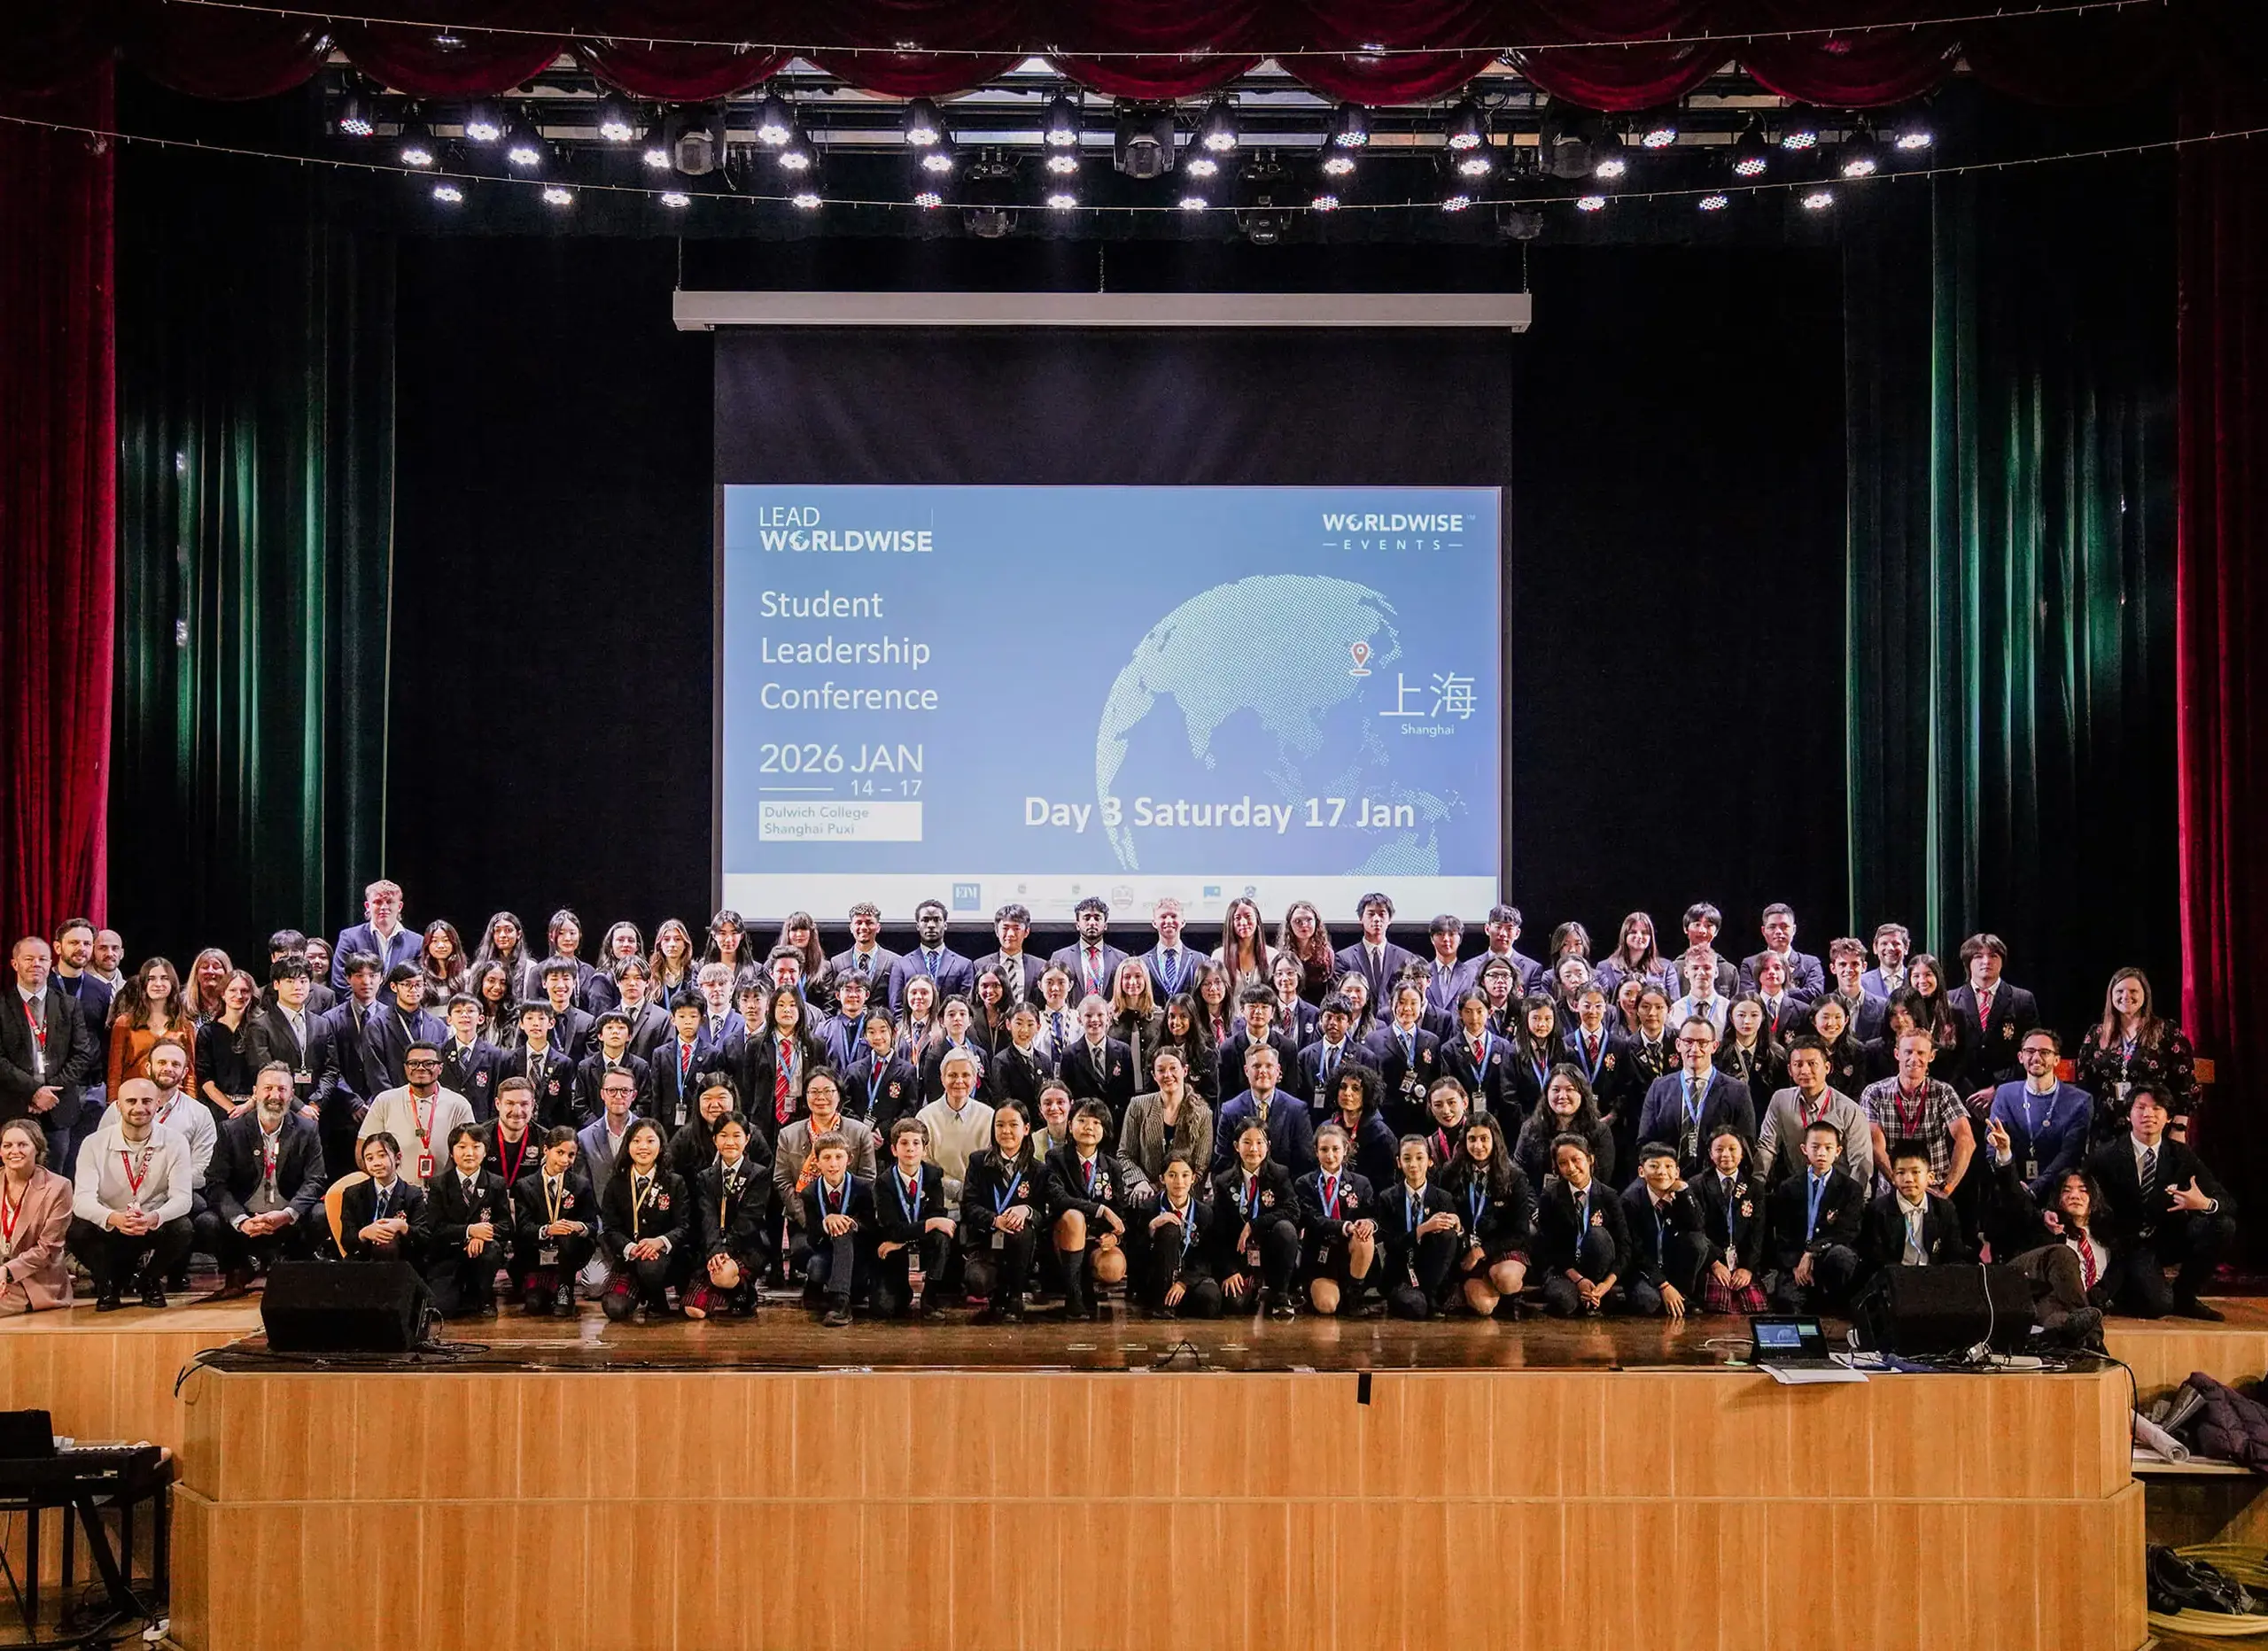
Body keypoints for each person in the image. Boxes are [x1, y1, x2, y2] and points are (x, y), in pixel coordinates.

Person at [2084, 1083, 2233, 1320]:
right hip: (2127, 1244)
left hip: (2166, 1236)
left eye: (2157, 1109)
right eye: (2140, 1107)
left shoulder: (2180, 1154)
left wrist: (2205, 1204)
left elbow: (2226, 1200)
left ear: (2168, 1117)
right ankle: (2123, 1291)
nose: (2148, 1115)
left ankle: (2185, 1295)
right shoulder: (2106, 1156)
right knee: (2158, 1306)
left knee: (2221, 1224)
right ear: (2128, 1114)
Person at [68, 1077, 194, 1310]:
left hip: (150, 1222)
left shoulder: (176, 1142)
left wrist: (153, 1218)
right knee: (77, 1230)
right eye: (131, 1101)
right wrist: (114, 1218)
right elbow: (82, 1200)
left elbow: (183, 1199)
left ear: (157, 1104)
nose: (139, 1108)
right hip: (112, 1223)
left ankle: (149, 1280)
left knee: (183, 1227)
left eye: (146, 1101)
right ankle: (108, 1285)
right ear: (118, 1106)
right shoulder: (93, 1143)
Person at [205, 1064, 326, 1292]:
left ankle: (293, 1262)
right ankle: (239, 1268)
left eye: (282, 1089)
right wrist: (240, 1220)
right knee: (207, 1222)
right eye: (268, 1088)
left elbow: (316, 1180)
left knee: (322, 1215)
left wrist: (287, 1214)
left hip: (287, 1217)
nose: (274, 1095)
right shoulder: (231, 1130)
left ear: (291, 1094)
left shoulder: (307, 1129)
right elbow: (216, 1183)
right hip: (246, 1218)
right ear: (255, 1092)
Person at [2076, 968, 2200, 1145]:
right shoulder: (2097, 1034)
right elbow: (2083, 1083)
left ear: (2145, 995)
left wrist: (2178, 1129)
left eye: (2133, 991)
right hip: (2105, 1132)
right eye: (2119, 991)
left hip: (2153, 1128)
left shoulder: (2166, 1032)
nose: (2126, 996)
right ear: (2111, 996)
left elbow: (2186, 1084)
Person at [776, 1071, 875, 1277]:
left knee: (841, 1261)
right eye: (813, 1092)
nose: (821, 1097)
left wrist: (842, 1221)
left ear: (839, 1095)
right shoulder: (789, 1134)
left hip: (850, 1220)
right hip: (805, 1223)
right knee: (811, 1260)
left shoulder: (859, 1132)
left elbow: (867, 1178)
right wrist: (814, 1221)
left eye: (828, 1091)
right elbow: (782, 1181)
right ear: (805, 1096)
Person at [1859, 1028, 1974, 1201]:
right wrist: (1899, 1182)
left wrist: (1948, 1187)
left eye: (1921, 1053)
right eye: (1908, 1052)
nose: (1914, 1058)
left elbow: (1966, 1140)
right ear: (1897, 1054)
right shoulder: (1874, 1092)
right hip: (1892, 1190)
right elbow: (1875, 1145)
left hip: (1935, 1189)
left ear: (1931, 1057)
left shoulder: (1943, 1091)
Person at [1761, 1120, 1864, 1312]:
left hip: (1827, 1259)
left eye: (1828, 1147)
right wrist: (1795, 1264)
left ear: (1838, 1151)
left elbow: (1847, 1232)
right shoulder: (1788, 1187)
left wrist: (1812, 1253)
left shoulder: (1850, 1189)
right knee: (1787, 1306)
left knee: (1842, 1256)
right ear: (1804, 1149)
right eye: (1815, 1147)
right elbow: (1782, 1234)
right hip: (1795, 1263)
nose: (1822, 1153)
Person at [1635, 1018, 1757, 1178]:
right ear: (1678, 1045)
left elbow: (1745, 1146)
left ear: (1714, 1046)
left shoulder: (1737, 1091)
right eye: (1688, 1041)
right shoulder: (1659, 1087)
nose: (1695, 1048)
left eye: (1702, 1042)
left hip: (1715, 1185)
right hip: (1667, 1180)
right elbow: (1646, 1142)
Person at [2004, 1169, 2113, 1347]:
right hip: (2034, 1289)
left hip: (2058, 1307)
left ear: (2095, 1196)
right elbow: (2017, 1206)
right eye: (2066, 1190)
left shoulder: (2108, 1240)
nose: (2074, 1195)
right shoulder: (2047, 1228)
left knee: (2060, 1319)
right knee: (2063, 1254)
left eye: (2083, 1189)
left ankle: (2082, 1334)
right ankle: (2093, 1334)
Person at [1442, 1112, 1534, 1319]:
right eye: (1472, 1139)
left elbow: (1520, 1232)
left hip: (1501, 1247)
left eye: (1484, 1139)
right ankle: (1483, 1289)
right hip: (1466, 1249)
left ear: (1495, 1140)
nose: (1478, 1146)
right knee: (1483, 1308)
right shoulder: (1450, 1172)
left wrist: (1481, 1251)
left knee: (1506, 1280)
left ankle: (1511, 1294)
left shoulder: (1515, 1176)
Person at [959, 1103, 1045, 1322]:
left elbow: (1044, 1213)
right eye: (1000, 1125)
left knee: (1021, 1228)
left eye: (1013, 1124)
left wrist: (1026, 1210)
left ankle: (1015, 1296)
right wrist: (995, 1220)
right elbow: (968, 1205)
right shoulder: (978, 1162)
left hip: (1020, 1247)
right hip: (986, 1241)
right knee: (977, 1281)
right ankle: (996, 1294)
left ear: (1026, 1129)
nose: (1006, 1131)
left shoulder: (1037, 1169)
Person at [1210, 1119, 1301, 1321]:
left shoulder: (1279, 1174)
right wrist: (1229, 1271)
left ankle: (1280, 1295)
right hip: (1241, 1257)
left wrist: (1254, 1224)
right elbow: (1219, 1232)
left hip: (1271, 1252)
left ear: (1268, 1146)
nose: (1254, 1149)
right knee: (1235, 1306)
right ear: (1236, 1146)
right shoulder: (1223, 1182)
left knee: (1285, 1229)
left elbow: (1293, 1211)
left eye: (1260, 1143)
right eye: (1247, 1142)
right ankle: (1253, 1291)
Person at [1047, 1100, 1130, 1320]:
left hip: (1095, 1240)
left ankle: (1088, 1286)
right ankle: (1074, 1296)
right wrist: (1100, 1209)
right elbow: (1059, 1199)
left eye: (1096, 1122)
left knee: (1114, 1267)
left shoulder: (1113, 1166)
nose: (1089, 1127)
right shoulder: (1056, 1158)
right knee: (1074, 1217)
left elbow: (1121, 1213)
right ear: (1070, 1125)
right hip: (1064, 1235)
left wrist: (1114, 1238)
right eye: (1082, 1120)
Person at [1988, 1029, 2093, 1205]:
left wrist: (2034, 1189)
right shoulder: (2005, 1094)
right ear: (2021, 1057)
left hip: (2057, 1193)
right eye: (2030, 1051)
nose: (2036, 1057)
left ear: (2057, 1060)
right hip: (2010, 1190)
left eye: (2045, 1052)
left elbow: (2070, 1154)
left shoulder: (2079, 1101)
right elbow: (1993, 1145)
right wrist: (2014, 1186)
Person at [1755, 1037, 1874, 1190]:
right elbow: (1767, 1148)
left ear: (1827, 1067)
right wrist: (1756, 1185)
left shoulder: (1849, 1110)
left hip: (1838, 1192)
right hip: (1798, 1191)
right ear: (1790, 1070)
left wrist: (1853, 1201)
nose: (1805, 1071)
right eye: (1798, 1065)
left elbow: (1861, 1163)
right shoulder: (1781, 1100)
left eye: (1812, 1064)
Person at [685, 1111, 771, 1320]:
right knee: (693, 1310)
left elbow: (750, 1219)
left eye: (736, 1135)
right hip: (714, 1250)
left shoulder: (759, 1174)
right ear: (715, 1140)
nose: (729, 1142)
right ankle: (729, 1292)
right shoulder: (705, 1177)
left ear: (747, 1139)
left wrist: (726, 1249)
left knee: (723, 1274)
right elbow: (707, 1218)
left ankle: (744, 1292)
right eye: (723, 1135)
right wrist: (715, 1251)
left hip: (746, 1247)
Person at [598, 1119, 685, 1322]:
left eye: (650, 1141)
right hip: (628, 1257)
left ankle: (656, 1296)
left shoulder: (674, 1183)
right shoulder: (616, 1183)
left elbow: (684, 1226)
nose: (643, 1147)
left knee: (650, 1266)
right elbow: (610, 1228)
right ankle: (638, 1289)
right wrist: (629, 1247)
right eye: (636, 1141)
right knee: (614, 1308)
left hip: (661, 1259)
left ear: (661, 1146)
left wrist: (659, 1242)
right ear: (628, 1146)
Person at [423, 1124, 512, 1318]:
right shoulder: (438, 1184)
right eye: (462, 1147)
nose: (469, 1153)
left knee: (493, 1249)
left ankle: (485, 1296)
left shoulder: (496, 1183)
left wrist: (483, 1235)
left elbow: (506, 1226)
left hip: (482, 1253)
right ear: (452, 1152)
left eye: (476, 1146)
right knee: (442, 1309)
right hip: (448, 1256)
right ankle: (461, 1293)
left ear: (485, 1151)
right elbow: (435, 1229)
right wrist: (470, 1231)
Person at [1532, 1134, 1626, 1317]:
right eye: (1563, 1163)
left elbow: (1625, 1245)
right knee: (1564, 1302)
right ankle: (1586, 1296)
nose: (1571, 1168)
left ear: (1590, 1159)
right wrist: (1578, 1279)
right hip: (1564, 1269)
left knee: (1598, 1236)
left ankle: (1596, 1294)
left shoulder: (1609, 1196)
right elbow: (1548, 1247)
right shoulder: (1549, 1197)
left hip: (1599, 1271)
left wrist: (1606, 1285)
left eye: (1576, 1160)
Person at [360, 1041, 474, 1189]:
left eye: (429, 1063)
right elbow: (363, 1150)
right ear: (406, 1068)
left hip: (445, 1194)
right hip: (398, 1193)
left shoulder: (458, 1104)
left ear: (440, 1068)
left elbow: (471, 1153)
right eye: (413, 1063)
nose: (420, 1068)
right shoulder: (385, 1101)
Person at [871, 1117, 953, 1320]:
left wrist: (907, 1238)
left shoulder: (933, 1175)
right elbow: (891, 1229)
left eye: (916, 1143)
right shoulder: (884, 1182)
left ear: (925, 1149)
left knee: (941, 1238)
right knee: (884, 1309)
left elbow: (938, 1216)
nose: (910, 1149)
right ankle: (902, 1291)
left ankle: (930, 1298)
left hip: (910, 1243)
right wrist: (929, 1224)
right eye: (904, 1143)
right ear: (894, 1150)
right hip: (893, 1250)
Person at [1296, 1122, 1380, 1317]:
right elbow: (1312, 1219)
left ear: (1345, 1150)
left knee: (1365, 1237)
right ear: (1316, 1152)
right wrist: (1345, 1226)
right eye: (1324, 1149)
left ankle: (1354, 1294)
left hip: (1349, 1255)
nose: (1330, 1155)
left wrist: (1369, 1223)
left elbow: (1374, 1216)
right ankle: (1320, 1294)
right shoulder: (1304, 1183)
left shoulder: (1361, 1183)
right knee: (1327, 1306)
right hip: (1319, 1256)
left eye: (1336, 1149)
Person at [1620, 1143, 1709, 1320]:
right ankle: (1666, 1295)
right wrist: (1663, 1285)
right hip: (1643, 1269)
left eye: (1668, 1166)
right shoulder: (1630, 1201)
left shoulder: (1683, 1193)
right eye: (1653, 1166)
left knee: (1697, 1242)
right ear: (1641, 1171)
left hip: (1672, 1267)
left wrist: (1684, 1193)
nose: (1662, 1172)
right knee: (1648, 1303)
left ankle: (1683, 1294)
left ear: (1677, 1172)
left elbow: (1698, 1228)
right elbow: (1635, 1251)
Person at [514, 1126, 595, 1316]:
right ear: (546, 1150)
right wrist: (548, 1230)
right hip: (536, 1253)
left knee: (567, 1234)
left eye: (571, 1155)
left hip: (570, 1253)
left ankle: (565, 1288)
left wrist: (578, 1227)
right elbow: (523, 1227)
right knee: (534, 1306)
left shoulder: (581, 1185)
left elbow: (592, 1224)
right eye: (559, 1152)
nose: (565, 1160)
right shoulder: (525, 1186)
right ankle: (545, 1281)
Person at [1860, 1141, 1975, 1274]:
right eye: (1901, 1173)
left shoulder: (1944, 1209)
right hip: (1893, 1281)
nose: (1908, 1179)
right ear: (1893, 1178)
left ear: (1930, 1177)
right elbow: (1876, 1259)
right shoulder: (1878, 1210)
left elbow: (1954, 1253)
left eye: (1916, 1172)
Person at [0, 1119, 75, 1314]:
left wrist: (7, 1271)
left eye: (22, 1145)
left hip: (35, 1281)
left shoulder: (58, 1187)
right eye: (7, 1145)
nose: (14, 1151)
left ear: (38, 1149)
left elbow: (47, 1249)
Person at [1949, 934, 2039, 1094]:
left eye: (1993, 956)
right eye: (1978, 956)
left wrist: (1998, 1087)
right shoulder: (1951, 1000)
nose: (1986, 961)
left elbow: (2031, 1051)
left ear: (2002, 961)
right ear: (1968, 962)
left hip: (2008, 1092)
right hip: (1961, 1094)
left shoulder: (2022, 1000)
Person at [1118, 1047, 1213, 1198]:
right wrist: (1140, 1182)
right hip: (1144, 1195)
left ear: (1185, 1070)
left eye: (1173, 1068)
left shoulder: (1203, 1113)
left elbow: (1201, 1166)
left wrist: (1162, 1187)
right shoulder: (1138, 1105)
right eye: (1161, 1070)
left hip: (1186, 1195)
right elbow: (1125, 1155)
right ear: (1154, 1076)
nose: (1167, 1075)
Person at [1136, 1152, 1221, 1319]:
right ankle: (1162, 1303)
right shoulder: (1149, 1208)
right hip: (1157, 1278)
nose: (1179, 1182)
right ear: (1162, 1178)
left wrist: (1184, 1282)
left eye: (1185, 1175)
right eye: (1172, 1175)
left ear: (1193, 1179)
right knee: (1169, 1228)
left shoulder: (1204, 1212)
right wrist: (1152, 1229)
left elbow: (1206, 1258)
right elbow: (1136, 1255)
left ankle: (1177, 1302)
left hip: (1188, 1278)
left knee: (1211, 1298)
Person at [1694, 1127, 1767, 1315]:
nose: (1726, 1154)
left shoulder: (1754, 1187)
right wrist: (1715, 1264)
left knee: (1754, 1306)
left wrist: (1747, 1268)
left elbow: (1757, 1232)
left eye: (1732, 1149)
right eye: (1719, 1149)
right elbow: (1697, 1231)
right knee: (1720, 1306)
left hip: (1741, 1261)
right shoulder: (1697, 1185)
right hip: (1712, 1261)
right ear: (1710, 1153)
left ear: (1742, 1153)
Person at [1214, 1044, 1317, 1176]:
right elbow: (1223, 1165)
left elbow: (1305, 1163)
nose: (1262, 1071)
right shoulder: (1230, 1111)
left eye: (1269, 1066)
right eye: (1256, 1066)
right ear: (1246, 1071)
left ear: (1278, 1070)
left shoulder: (1297, 1110)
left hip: (1286, 1190)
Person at [913, 1050, 993, 1213]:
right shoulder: (925, 1117)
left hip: (980, 1202)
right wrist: (952, 1187)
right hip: (937, 1201)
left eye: (966, 1075)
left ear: (975, 1080)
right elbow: (921, 1165)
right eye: (952, 1075)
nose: (959, 1081)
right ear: (942, 1079)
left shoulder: (989, 1117)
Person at [1513, 1066, 1617, 1190]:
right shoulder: (1530, 1129)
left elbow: (1601, 1180)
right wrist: (1536, 1207)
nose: (1562, 1096)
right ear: (1546, 1093)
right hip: (1537, 1204)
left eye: (1570, 1089)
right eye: (1556, 1090)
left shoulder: (1599, 1132)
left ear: (1582, 1094)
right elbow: (1519, 1174)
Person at [337, 1132, 427, 1264]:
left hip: (401, 1264)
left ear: (398, 1157)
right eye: (370, 1158)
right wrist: (364, 1233)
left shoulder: (413, 1194)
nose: (376, 1163)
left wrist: (403, 1227)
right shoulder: (353, 1194)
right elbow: (346, 1241)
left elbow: (424, 1240)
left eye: (382, 1155)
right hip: (363, 1262)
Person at [1367, 979, 1443, 1135]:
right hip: (1388, 1120)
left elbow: (1437, 1079)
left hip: (1423, 1119)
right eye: (1401, 1002)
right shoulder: (1373, 1040)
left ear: (1421, 1005)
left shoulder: (1432, 1041)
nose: (1407, 1008)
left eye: (1413, 1003)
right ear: (1391, 1003)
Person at [329, 878, 422, 991]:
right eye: (377, 902)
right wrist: (368, 1008)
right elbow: (340, 981)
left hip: (400, 1008)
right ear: (367, 906)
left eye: (390, 902)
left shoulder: (417, 942)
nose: (384, 907)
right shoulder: (350, 937)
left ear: (400, 906)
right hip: (359, 1008)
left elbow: (419, 984)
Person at [887, 899, 975, 1015]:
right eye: (925, 920)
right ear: (918, 926)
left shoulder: (964, 965)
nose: (931, 925)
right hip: (913, 1031)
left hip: (950, 1030)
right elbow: (896, 1007)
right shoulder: (901, 964)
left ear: (945, 925)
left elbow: (966, 1005)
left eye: (937, 920)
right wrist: (912, 1031)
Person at [1322, 1063, 1400, 1192]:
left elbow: (1387, 1185)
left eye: (1356, 1088)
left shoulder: (1382, 1135)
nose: (1347, 1093)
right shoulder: (1325, 1128)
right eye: (1343, 1087)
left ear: (1368, 1093)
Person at [195, 968, 260, 1118]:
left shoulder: (261, 1029)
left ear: (251, 995)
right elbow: (204, 1078)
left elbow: (267, 1071)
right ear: (223, 994)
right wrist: (231, 1108)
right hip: (218, 1110)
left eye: (244, 991)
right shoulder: (208, 1032)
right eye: (233, 990)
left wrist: (249, 1105)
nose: (239, 995)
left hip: (255, 1108)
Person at [1334, 892, 1418, 1006]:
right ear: (1361, 919)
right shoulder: (1343, 958)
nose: (1377, 919)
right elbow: (1340, 999)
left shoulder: (1405, 958)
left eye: (1382, 914)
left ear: (1389, 920)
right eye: (1371, 914)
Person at [1058, 996, 1136, 1119]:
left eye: (1100, 1015)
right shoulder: (1069, 1054)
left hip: (1117, 1120)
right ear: (1079, 1020)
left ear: (1108, 1017)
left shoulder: (1123, 1050)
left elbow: (1129, 1092)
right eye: (1088, 1015)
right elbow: (1068, 1095)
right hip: (1085, 1119)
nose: (1094, 1020)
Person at [504, 998, 578, 1128]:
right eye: (530, 1018)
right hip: (515, 1125)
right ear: (521, 1023)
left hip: (550, 1129)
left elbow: (565, 1107)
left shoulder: (563, 1063)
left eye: (541, 1019)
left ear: (551, 1023)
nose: (536, 1024)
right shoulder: (508, 1059)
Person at [435, 992, 504, 1121]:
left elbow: (496, 1093)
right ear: (449, 1019)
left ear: (481, 1019)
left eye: (470, 1011)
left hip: (481, 1121)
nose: (464, 1015)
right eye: (458, 1011)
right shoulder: (439, 1052)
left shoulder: (494, 1054)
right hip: (446, 1118)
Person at [574, 1011, 651, 1126]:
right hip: (593, 1128)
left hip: (630, 1128)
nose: (615, 1032)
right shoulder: (585, 1067)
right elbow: (580, 1104)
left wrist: (627, 1125)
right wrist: (599, 1126)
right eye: (609, 1028)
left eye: (621, 1028)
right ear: (600, 1035)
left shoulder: (640, 1066)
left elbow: (644, 1103)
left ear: (629, 1036)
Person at [1047, 897, 1126, 1005]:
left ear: (1106, 925)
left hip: (1110, 1020)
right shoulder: (1060, 957)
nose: (1092, 923)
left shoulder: (1121, 959)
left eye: (1097, 918)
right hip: (1073, 1020)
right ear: (1077, 925)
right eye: (1087, 918)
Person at [1738, 903, 1826, 999]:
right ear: (1763, 931)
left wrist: (1773, 991)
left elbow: (1815, 994)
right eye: (1772, 927)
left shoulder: (1810, 963)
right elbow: (1749, 998)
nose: (1779, 931)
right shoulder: (1750, 964)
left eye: (1784, 926)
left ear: (1794, 929)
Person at [1594, 912, 1677, 1001]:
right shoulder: (1605, 967)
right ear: (1624, 935)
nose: (1639, 936)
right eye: (1633, 932)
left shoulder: (1666, 967)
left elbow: (1674, 1003)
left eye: (1644, 932)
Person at [973, 902, 1045, 1003]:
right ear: (997, 931)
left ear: (1026, 932)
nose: (1010, 934)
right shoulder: (980, 965)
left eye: (1016, 929)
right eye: (1005, 928)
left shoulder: (1040, 966)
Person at [827, 901, 900, 1000]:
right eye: (858, 923)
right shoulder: (837, 962)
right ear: (851, 927)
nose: (864, 927)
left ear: (878, 927)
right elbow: (832, 1001)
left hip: (881, 1015)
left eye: (869, 923)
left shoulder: (894, 961)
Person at [1821, 939, 1889, 1043]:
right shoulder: (1822, 1007)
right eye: (1843, 964)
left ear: (1864, 967)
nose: (1849, 969)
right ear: (1833, 968)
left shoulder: (1882, 1007)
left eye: (1855, 964)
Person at [417, 919, 469, 1009]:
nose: (441, 945)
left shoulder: (467, 976)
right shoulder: (420, 977)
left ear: (454, 943)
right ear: (427, 945)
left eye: (446, 940)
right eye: (434, 941)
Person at [1861, 923, 1912, 998]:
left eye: (1896, 943)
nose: (1890, 948)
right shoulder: (1862, 983)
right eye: (1884, 944)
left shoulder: (1916, 980)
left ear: (1906, 948)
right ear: (1875, 948)